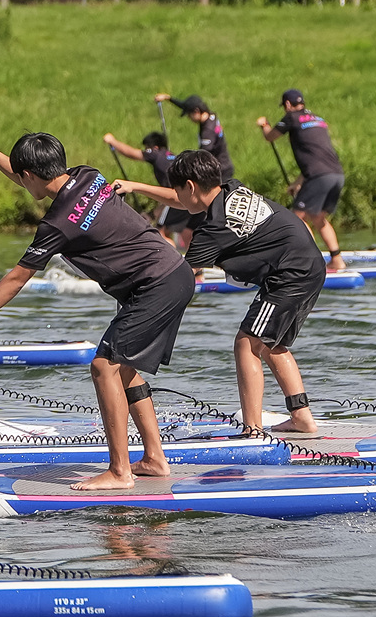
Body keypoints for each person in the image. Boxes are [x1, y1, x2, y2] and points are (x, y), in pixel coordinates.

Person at [0, 129, 196, 489]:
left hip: (155, 285)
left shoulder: (56, 225)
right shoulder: (88, 175)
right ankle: (155, 459)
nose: (21, 182)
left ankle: (119, 471)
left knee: (103, 368)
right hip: (174, 271)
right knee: (124, 370)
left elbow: (17, 279)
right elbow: (28, 175)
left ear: (29, 176)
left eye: (22, 177)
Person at [114, 149, 325, 435]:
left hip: (290, 274)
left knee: (247, 343)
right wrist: (135, 186)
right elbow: (183, 199)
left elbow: (179, 276)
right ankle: (301, 417)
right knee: (270, 344)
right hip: (308, 265)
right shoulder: (229, 189)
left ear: (190, 186)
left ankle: (253, 430)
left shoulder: (213, 228)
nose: (177, 197)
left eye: (179, 188)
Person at [259, 89, 348, 273]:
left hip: (319, 176)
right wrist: (298, 182)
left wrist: (264, 125)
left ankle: (310, 263)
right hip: (336, 174)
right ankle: (337, 260)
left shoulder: (291, 117)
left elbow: (270, 136)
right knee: (318, 217)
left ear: (288, 105)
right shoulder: (319, 119)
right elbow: (316, 156)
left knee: (296, 217)